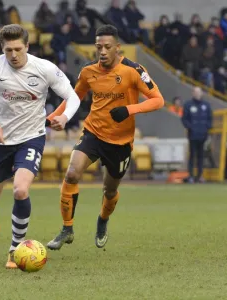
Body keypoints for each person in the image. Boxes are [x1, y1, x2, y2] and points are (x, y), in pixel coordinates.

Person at [0, 24, 80, 268]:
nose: (14, 55)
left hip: (31, 137)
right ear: (2, 48)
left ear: (27, 46)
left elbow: (73, 97)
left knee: (20, 190)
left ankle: (15, 249)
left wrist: (64, 117)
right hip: (1, 141)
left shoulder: (44, 68)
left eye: (18, 49)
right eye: (8, 50)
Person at [45, 24, 164, 250]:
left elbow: (158, 100)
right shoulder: (89, 72)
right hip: (94, 133)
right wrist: (51, 118)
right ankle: (67, 229)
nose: (102, 51)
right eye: (98, 47)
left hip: (120, 143)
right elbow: (74, 97)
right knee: (71, 174)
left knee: (109, 190)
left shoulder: (134, 70)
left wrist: (129, 110)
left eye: (107, 47)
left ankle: (103, 220)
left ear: (118, 48)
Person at [181, 87, 212, 183]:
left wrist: (207, 127)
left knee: (201, 156)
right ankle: (190, 175)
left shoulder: (206, 105)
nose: (197, 94)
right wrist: (190, 127)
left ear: (201, 93)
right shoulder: (188, 105)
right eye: (195, 92)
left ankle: (199, 175)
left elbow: (210, 118)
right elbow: (184, 119)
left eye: (199, 92)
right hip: (193, 135)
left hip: (203, 135)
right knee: (192, 156)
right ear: (192, 93)